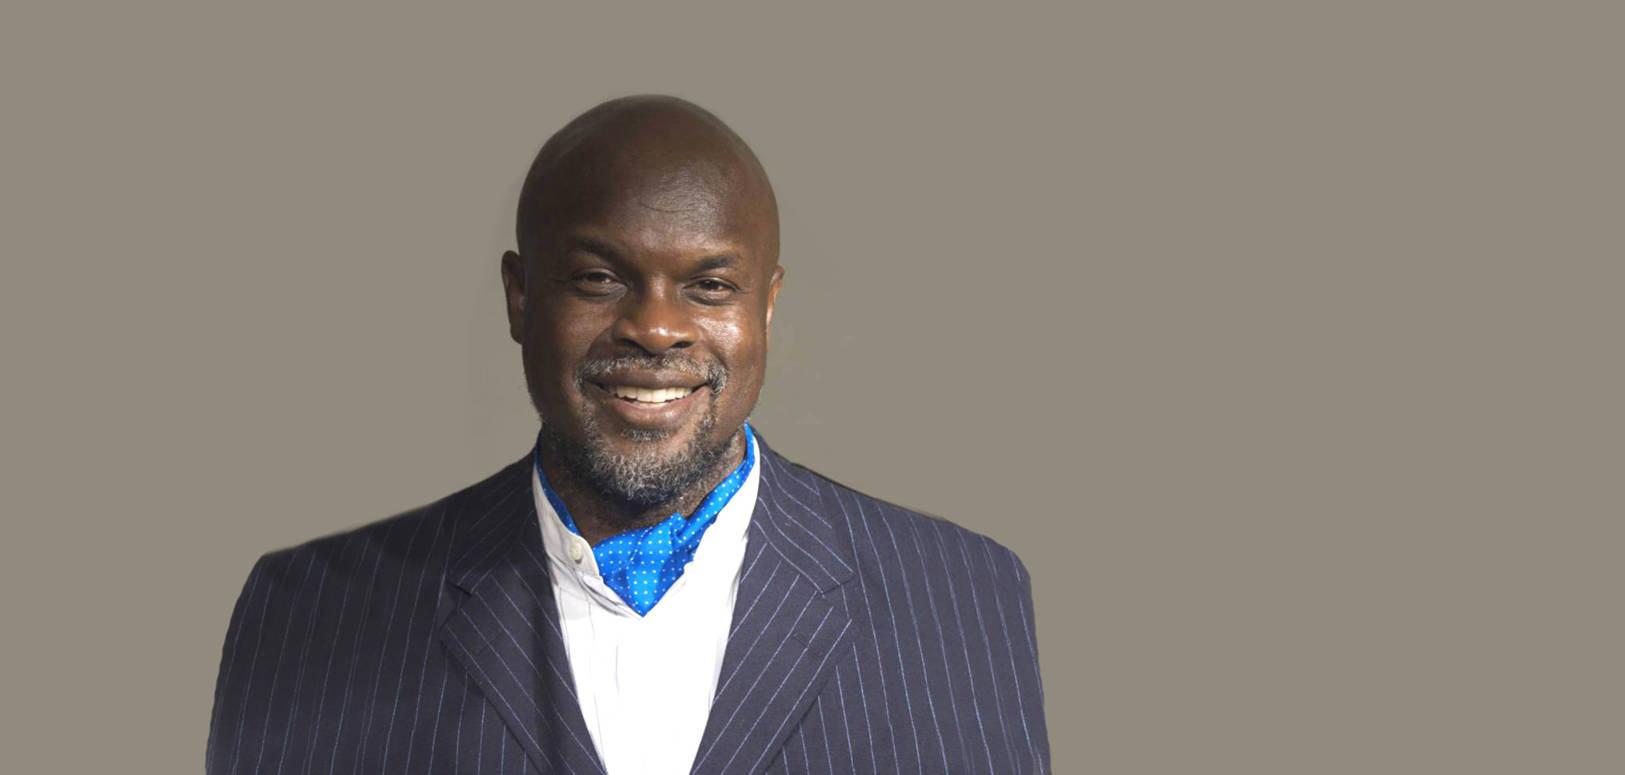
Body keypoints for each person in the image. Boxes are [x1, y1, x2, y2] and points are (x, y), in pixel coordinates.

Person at [207, 95, 1049, 775]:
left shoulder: (964, 601)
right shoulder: (309, 614)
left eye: (709, 286)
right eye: (599, 278)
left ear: (766, 306)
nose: (654, 328)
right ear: (520, 297)